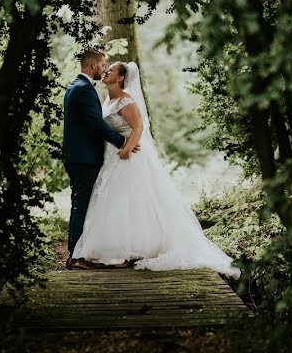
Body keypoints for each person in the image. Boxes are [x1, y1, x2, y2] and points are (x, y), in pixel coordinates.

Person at [71, 61, 240, 278]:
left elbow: (138, 126)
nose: (106, 71)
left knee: (130, 199)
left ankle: (134, 249)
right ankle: (117, 249)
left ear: (120, 78)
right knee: (114, 200)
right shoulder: (107, 99)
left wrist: (127, 148)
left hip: (126, 157)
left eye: (111, 70)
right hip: (110, 157)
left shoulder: (127, 100)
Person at [62, 49, 137, 270]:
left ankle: (78, 252)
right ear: (94, 64)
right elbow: (95, 123)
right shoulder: (84, 89)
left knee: (82, 203)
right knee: (82, 204)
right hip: (84, 157)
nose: (104, 69)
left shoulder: (77, 86)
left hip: (79, 156)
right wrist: (123, 142)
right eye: (103, 64)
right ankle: (76, 256)